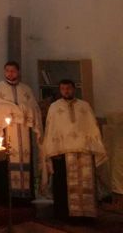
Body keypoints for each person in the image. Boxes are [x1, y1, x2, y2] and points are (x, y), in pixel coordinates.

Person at [42, 79, 107, 219]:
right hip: (61, 152)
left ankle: (86, 214)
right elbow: (51, 129)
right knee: (62, 184)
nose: (66, 91)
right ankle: (64, 214)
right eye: (63, 89)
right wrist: (53, 149)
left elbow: (92, 127)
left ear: (74, 89)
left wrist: (93, 146)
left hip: (84, 151)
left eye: (68, 88)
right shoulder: (54, 107)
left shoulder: (84, 106)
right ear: (60, 90)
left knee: (86, 182)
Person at [0, 61, 43, 202]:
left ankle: (25, 196)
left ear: (18, 72)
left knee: (25, 158)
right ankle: (5, 196)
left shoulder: (26, 90)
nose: (10, 73)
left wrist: (23, 109)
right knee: (4, 160)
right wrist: (12, 109)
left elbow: (34, 108)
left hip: (24, 131)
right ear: (4, 71)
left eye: (13, 71)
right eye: (7, 70)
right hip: (4, 131)